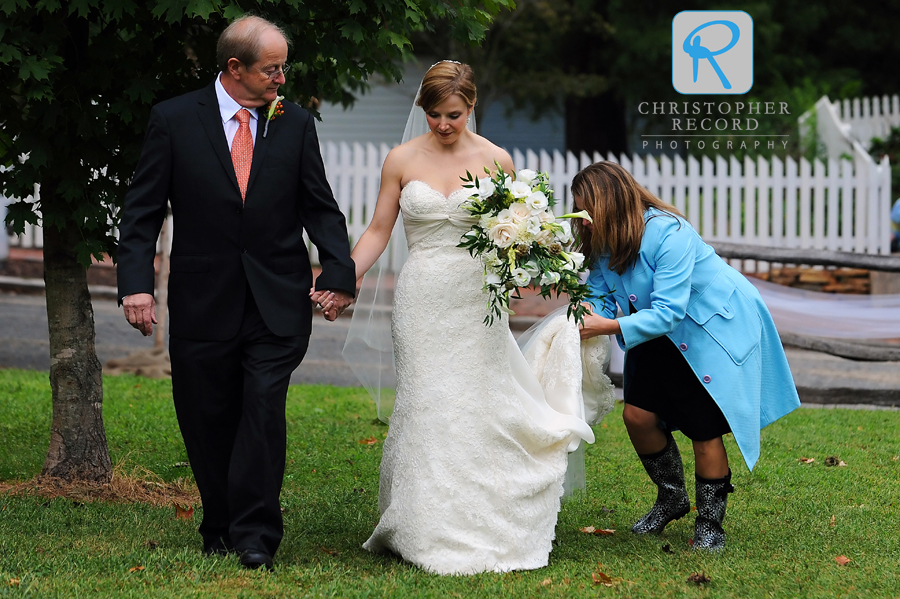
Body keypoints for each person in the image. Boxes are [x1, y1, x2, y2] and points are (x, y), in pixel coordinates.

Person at [317, 61, 602, 575]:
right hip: (423, 298)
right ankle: (422, 525)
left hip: (477, 300)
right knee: (428, 402)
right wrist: (347, 277)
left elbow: (519, 231)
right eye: (433, 115)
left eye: (452, 114)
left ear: (471, 107)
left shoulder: (497, 160)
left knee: (475, 402)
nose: (442, 125)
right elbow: (380, 230)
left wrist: (532, 263)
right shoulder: (401, 158)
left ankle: (482, 520)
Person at [117, 15, 356, 570]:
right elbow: (142, 211)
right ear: (234, 68)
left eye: (283, 66)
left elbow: (318, 206)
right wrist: (135, 286)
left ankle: (255, 536)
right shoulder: (174, 120)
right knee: (206, 414)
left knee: (263, 407)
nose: (281, 78)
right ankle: (219, 522)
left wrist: (338, 273)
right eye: (272, 68)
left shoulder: (295, 123)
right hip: (204, 299)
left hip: (278, 300)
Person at [572, 161, 800, 551]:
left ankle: (711, 524)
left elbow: (669, 312)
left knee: (703, 428)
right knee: (637, 416)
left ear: (610, 204)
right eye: (579, 211)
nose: (584, 221)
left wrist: (605, 327)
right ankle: (672, 498)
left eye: (587, 211)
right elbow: (599, 299)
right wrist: (578, 319)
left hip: (706, 327)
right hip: (652, 327)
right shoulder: (603, 241)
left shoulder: (668, 232)